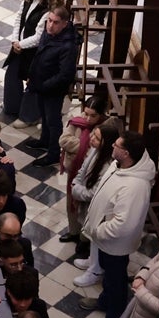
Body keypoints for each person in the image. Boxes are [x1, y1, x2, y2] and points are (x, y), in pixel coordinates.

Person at [81, 131, 155, 318]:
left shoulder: (135, 186)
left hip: (115, 243)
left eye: (116, 145)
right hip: (105, 241)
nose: (111, 146)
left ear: (126, 153)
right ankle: (104, 301)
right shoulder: (120, 165)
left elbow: (124, 225)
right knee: (108, 273)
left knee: (116, 280)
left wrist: (97, 230)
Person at [4, 0, 65, 124]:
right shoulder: (27, 1)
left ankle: (28, 117)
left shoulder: (49, 10)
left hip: (35, 51)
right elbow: (19, 20)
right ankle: (12, 107)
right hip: (20, 45)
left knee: (33, 82)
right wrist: (14, 40)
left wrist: (20, 44)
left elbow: (39, 37)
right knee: (12, 74)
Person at [22, 6, 79, 166]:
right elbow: (40, 55)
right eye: (49, 20)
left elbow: (65, 74)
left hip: (53, 89)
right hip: (40, 85)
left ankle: (54, 153)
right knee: (44, 116)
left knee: (53, 121)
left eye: (55, 22)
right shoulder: (49, 34)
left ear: (65, 24)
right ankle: (44, 141)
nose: (50, 25)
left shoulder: (68, 46)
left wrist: (45, 85)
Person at [70, 120, 121, 276]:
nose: (92, 138)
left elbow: (94, 193)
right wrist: (76, 183)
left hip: (99, 208)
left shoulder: (108, 165)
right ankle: (93, 260)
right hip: (86, 200)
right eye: (94, 134)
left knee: (97, 236)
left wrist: (76, 190)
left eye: (97, 138)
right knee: (92, 236)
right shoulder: (95, 151)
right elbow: (82, 170)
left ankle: (95, 269)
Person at [58, 95, 108, 240]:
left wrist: (79, 147)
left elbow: (102, 149)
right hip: (74, 169)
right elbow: (64, 140)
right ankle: (73, 232)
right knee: (71, 202)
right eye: (86, 113)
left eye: (93, 116)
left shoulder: (106, 127)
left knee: (88, 207)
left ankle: (84, 238)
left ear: (101, 114)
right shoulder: (78, 121)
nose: (87, 119)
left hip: (93, 172)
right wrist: (86, 147)